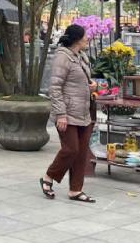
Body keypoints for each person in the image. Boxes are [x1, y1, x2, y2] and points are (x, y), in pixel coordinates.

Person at [40, 24, 97, 203]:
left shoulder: (81, 56)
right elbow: (55, 88)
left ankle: (75, 190)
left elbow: (82, 80)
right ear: (77, 40)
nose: (88, 39)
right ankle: (49, 177)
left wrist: (92, 85)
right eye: (85, 36)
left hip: (84, 112)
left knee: (81, 153)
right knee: (71, 149)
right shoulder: (62, 57)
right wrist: (61, 114)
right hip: (68, 112)